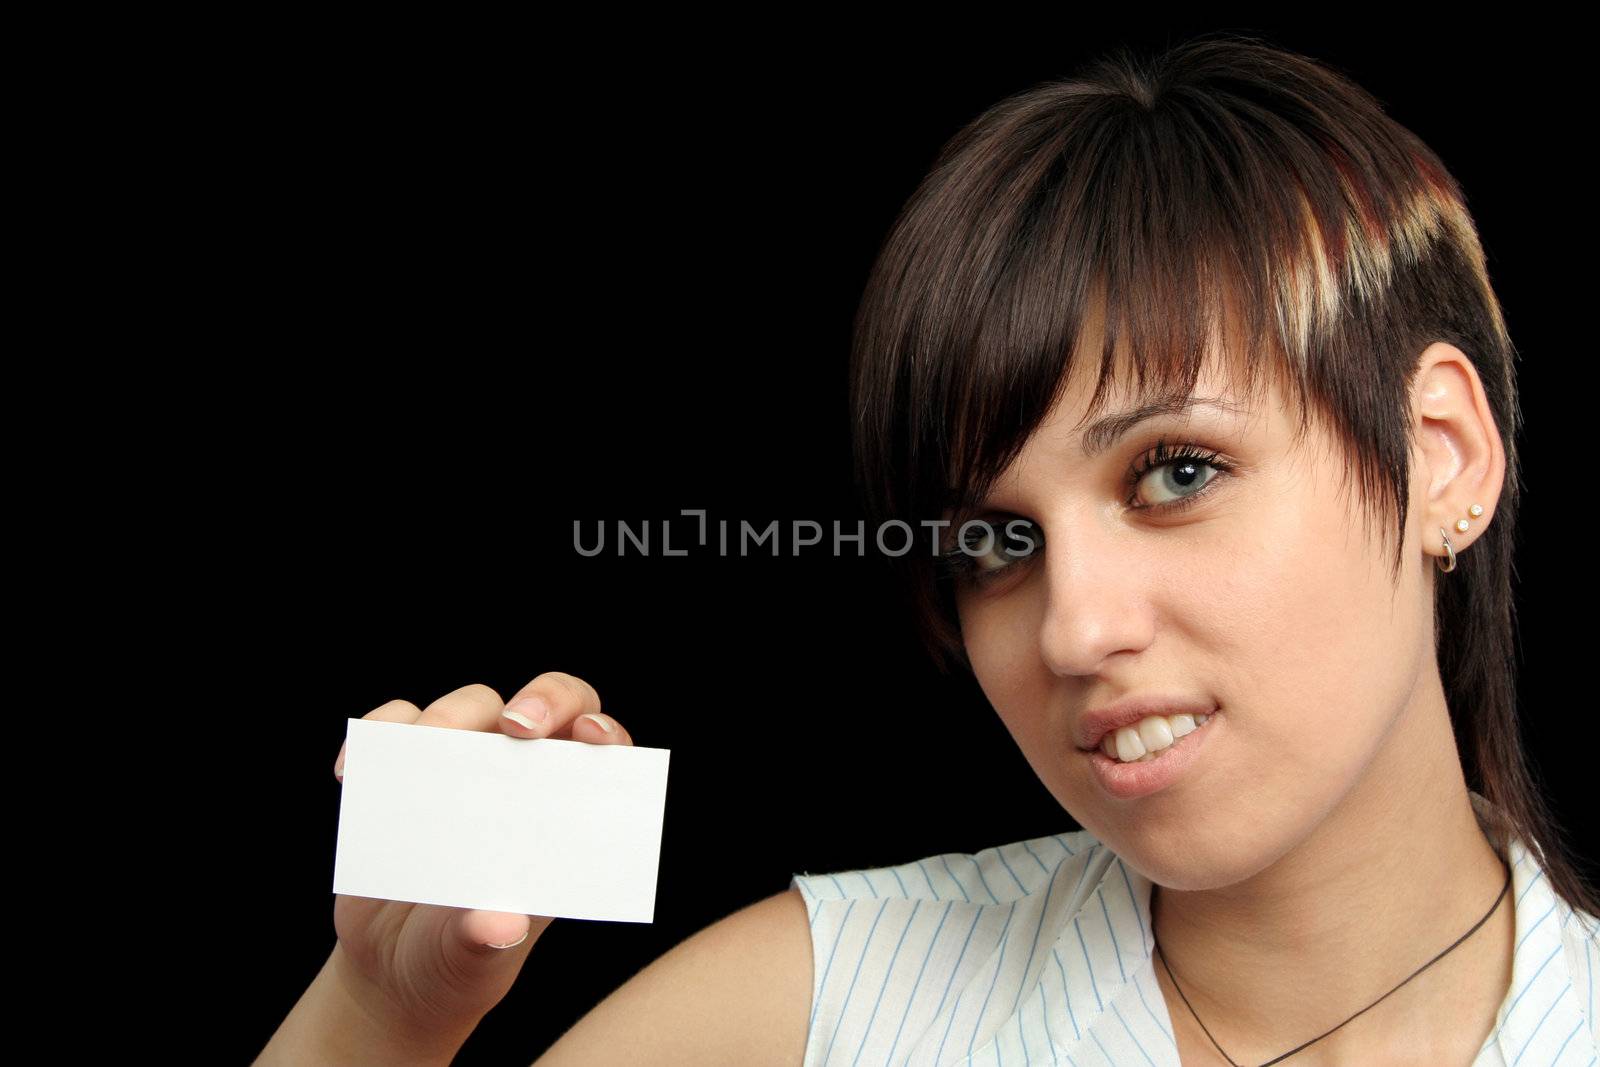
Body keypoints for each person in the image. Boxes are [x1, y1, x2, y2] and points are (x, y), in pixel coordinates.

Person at [256, 33, 1599, 1066]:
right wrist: (383, 1013)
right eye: (998, 541)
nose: (1072, 629)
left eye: (1176, 471)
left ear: (1441, 456)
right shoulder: (830, 998)